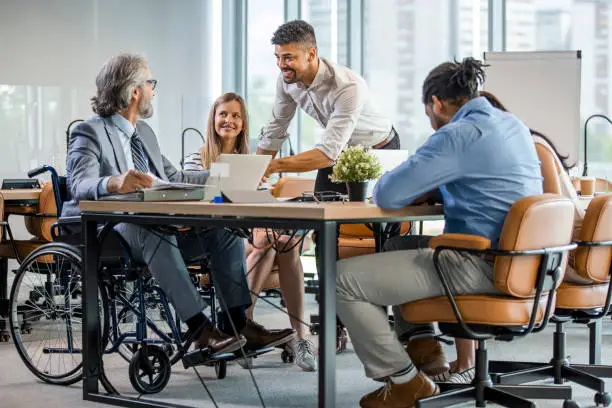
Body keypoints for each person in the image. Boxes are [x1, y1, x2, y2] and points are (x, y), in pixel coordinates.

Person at [335, 57, 543, 407]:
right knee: (398, 243)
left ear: (436, 103)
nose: (429, 120)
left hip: (481, 263)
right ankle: (422, 342)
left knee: (341, 279)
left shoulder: (457, 134)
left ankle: (404, 382)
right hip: (525, 263)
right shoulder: (513, 125)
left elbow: (387, 194)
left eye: (427, 112)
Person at [62, 53, 295, 358]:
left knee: (223, 232)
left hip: (153, 227)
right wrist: (115, 182)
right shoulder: (89, 132)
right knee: (151, 230)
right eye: (150, 83)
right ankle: (200, 330)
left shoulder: (143, 133)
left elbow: (175, 177)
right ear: (135, 91)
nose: (153, 90)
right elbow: (78, 185)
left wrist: (227, 177)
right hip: (108, 232)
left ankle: (237, 325)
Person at [183, 92, 317, 371]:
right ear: (213, 119)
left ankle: (293, 337)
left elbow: (260, 206)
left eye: (235, 116)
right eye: (223, 114)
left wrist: (264, 229)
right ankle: (245, 329)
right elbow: (196, 205)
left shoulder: (253, 162)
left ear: (243, 124)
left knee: (283, 244)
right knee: (263, 244)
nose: (229, 120)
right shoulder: (196, 160)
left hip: (248, 235)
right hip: (215, 238)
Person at [256, 19, 400, 191]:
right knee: (321, 205)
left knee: (373, 213)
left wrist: (274, 165)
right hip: (340, 149)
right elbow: (275, 129)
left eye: (288, 58)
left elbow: (327, 154)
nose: (281, 65)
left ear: (311, 54)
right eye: (278, 57)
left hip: (378, 147)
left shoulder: (347, 86)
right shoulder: (287, 80)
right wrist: (255, 170)